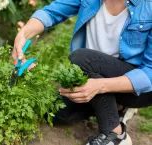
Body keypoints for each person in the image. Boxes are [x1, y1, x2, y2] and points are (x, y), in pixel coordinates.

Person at [12, 0, 152, 145]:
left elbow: (150, 73)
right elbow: (51, 12)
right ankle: (117, 106)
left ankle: (115, 134)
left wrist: (100, 86)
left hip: (136, 88)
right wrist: (23, 34)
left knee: (81, 58)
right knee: (55, 112)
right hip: (90, 72)